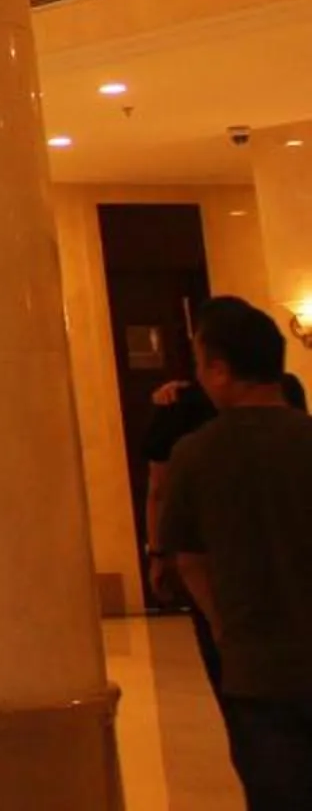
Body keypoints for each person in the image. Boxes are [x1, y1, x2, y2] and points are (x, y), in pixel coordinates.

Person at [158, 296, 312, 806]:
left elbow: (188, 557)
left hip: (255, 667)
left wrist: (222, 624)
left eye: (201, 362)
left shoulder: (194, 454)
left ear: (221, 369)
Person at [145, 357, 308, 691]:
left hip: (227, 571)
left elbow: (159, 493)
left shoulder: (180, 415)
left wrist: (158, 554)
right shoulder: (288, 405)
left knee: (241, 691)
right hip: (288, 559)